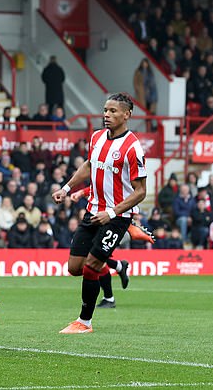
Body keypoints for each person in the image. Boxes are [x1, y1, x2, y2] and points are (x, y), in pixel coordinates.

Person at [52, 93, 147, 333]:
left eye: (113, 111)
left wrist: (113, 213)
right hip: (93, 210)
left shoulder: (133, 148)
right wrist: (66, 188)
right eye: (105, 110)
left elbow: (141, 191)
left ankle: (84, 322)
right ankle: (117, 264)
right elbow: (89, 165)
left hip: (116, 217)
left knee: (92, 265)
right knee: (74, 267)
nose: (107, 114)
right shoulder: (96, 137)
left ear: (127, 115)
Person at [71, 185, 155, 308]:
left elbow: (114, 186)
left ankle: (107, 299)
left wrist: (81, 192)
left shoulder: (129, 168)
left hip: (114, 217)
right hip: (102, 214)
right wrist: (81, 192)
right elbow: (102, 182)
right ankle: (118, 268)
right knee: (90, 259)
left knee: (94, 259)